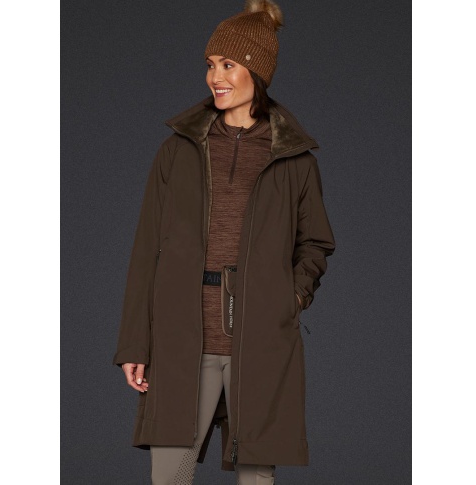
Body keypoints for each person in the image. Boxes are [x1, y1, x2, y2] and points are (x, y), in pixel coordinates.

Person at [113, 1, 336, 483]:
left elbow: (316, 243)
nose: (215, 76)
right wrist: (134, 342)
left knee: (256, 476)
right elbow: (146, 249)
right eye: (210, 64)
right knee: (170, 476)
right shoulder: (177, 151)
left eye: (228, 64)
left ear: (257, 72)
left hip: (260, 339)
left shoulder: (294, 159)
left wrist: (291, 297)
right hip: (180, 338)